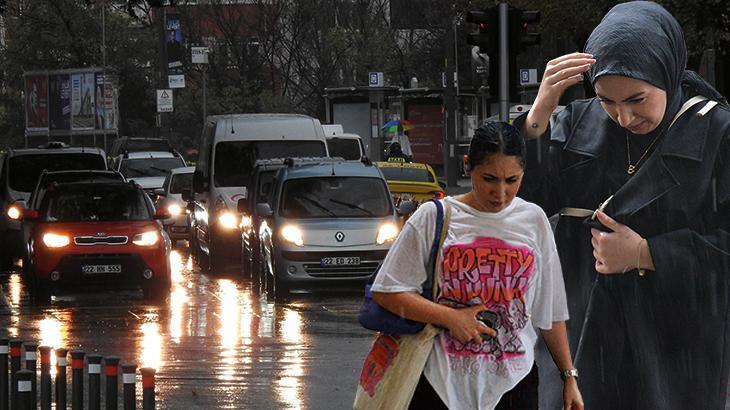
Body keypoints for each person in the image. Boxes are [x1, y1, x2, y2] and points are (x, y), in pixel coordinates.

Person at [515, 2, 730, 408]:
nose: (624, 117)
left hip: (675, 349)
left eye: (637, 99)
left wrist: (648, 254)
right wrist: (538, 115)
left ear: (667, 73)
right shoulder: (576, 123)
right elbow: (521, 200)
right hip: (579, 337)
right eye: (606, 101)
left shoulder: (717, 133)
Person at [370, 121, 584, 410]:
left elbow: (551, 311)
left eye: (512, 180)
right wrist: (451, 318)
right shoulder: (434, 218)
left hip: (514, 385)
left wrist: (568, 376)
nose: (501, 192)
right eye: (489, 178)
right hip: (440, 383)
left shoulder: (534, 220)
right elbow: (387, 291)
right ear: (467, 165)